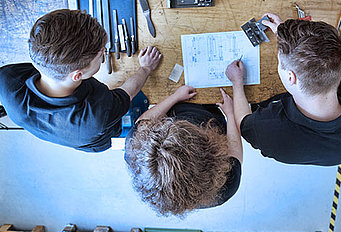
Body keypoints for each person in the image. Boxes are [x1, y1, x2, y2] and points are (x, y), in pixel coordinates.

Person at [226, 13, 341, 166]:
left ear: (291, 77)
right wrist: (292, 41)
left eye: (280, 61)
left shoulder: (273, 134)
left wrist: (237, 82)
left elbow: (242, 123)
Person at [0, 9, 162, 152]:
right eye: (101, 54)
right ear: (77, 75)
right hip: (98, 137)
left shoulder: (6, 80)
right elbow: (127, 93)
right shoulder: (96, 114)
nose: (105, 53)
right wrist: (146, 68)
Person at [125, 86, 243, 216]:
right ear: (208, 153)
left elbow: (144, 122)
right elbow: (235, 151)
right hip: (213, 115)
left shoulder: (138, 151)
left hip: (178, 106)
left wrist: (175, 97)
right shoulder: (225, 187)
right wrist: (231, 115)